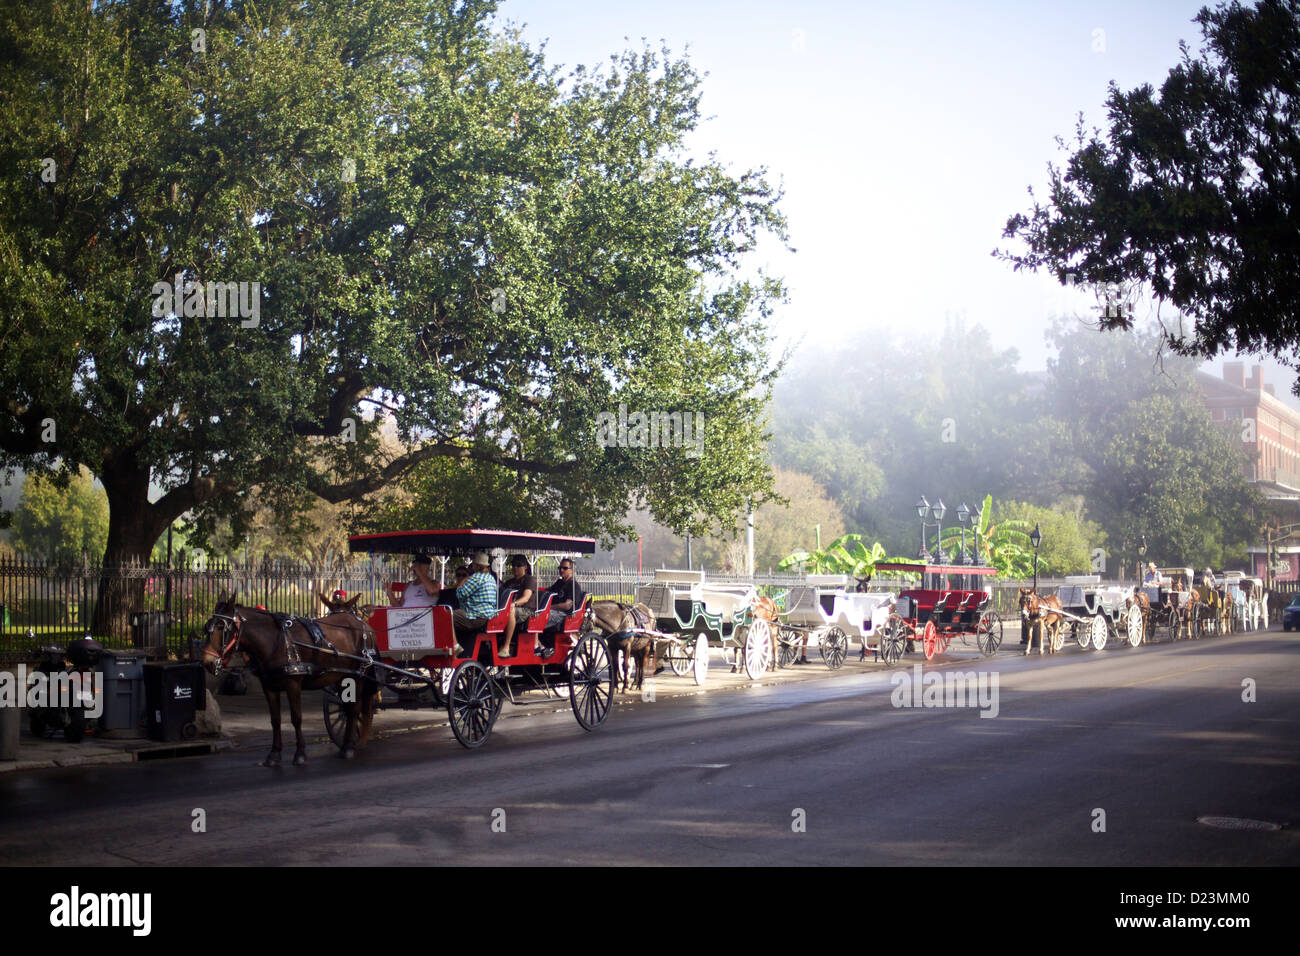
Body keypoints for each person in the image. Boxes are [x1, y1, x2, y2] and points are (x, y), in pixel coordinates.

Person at [451, 552, 498, 648]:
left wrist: (462, 581)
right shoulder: (491, 578)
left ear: (476, 566)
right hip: (487, 615)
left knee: (447, 616)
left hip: (476, 616)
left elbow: (460, 594)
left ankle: (455, 646)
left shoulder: (476, 577)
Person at [498, 554, 538, 655]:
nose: (515, 567)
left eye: (518, 565)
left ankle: (506, 647)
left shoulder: (529, 579)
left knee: (510, 610)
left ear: (525, 566)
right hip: (510, 609)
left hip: (526, 610)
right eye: (513, 565)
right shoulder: (509, 582)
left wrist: (513, 604)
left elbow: (526, 598)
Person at [542, 558, 587, 635]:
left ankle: (537, 644)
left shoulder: (573, 586)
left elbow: (567, 605)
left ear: (571, 570)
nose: (561, 570)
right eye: (560, 568)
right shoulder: (559, 583)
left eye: (565, 568)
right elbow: (547, 592)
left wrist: (549, 607)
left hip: (565, 615)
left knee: (540, 617)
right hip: (554, 612)